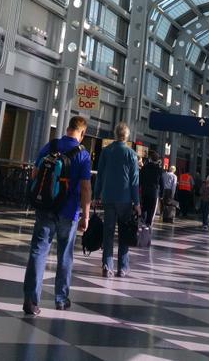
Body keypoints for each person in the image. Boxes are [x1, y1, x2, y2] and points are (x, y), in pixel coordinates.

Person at [22, 116, 91, 315]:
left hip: (45, 207)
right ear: (82, 133)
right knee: (64, 255)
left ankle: (31, 299)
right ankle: (61, 299)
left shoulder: (50, 145)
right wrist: (85, 215)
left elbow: (35, 174)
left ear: (68, 128)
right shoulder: (83, 155)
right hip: (69, 212)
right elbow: (86, 188)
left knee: (38, 251)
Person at [94, 122, 140, 278]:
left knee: (108, 232)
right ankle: (123, 267)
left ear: (115, 134)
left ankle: (107, 266)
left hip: (108, 197)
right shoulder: (131, 154)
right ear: (127, 136)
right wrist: (137, 202)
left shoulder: (106, 152)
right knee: (124, 233)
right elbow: (134, 181)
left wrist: (96, 195)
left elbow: (99, 175)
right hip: (125, 199)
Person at [140, 151, 163, 226]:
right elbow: (161, 183)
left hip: (145, 191)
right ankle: (148, 224)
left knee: (144, 207)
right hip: (154, 192)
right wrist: (161, 194)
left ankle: (142, 221)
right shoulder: (159, 170)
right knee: (151, 210)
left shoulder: (144, 168)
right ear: (157, 160)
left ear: (150, 159)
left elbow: (140, 179)